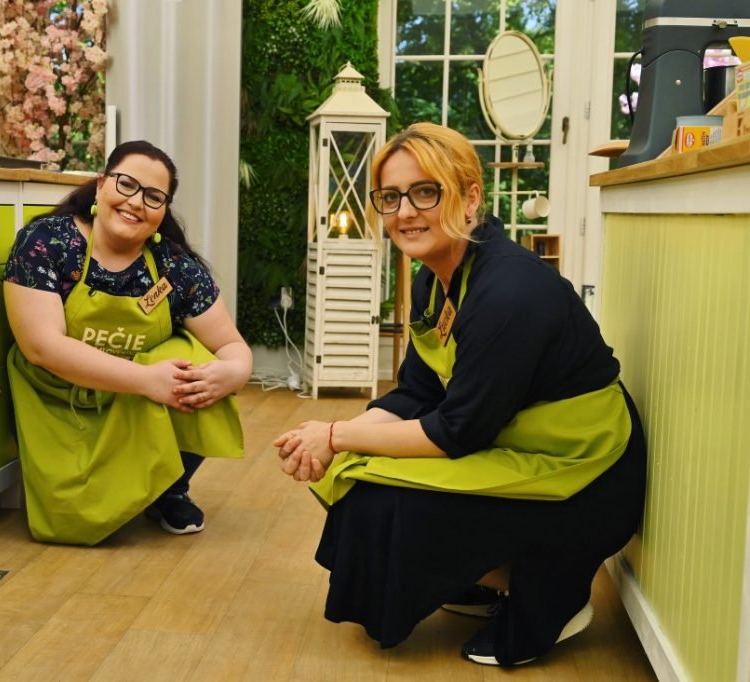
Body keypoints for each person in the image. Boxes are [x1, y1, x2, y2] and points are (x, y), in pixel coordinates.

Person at [273, 122, 646, 666]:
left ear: (471, 198)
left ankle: (550, 590)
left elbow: (456, 431)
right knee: (354, 473)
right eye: (390, 197)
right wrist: (328, 441)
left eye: (425, 192)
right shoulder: (434, 280)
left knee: (380, 499)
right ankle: (481, 577)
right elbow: (417, 392)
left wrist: (334, 434)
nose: (405, 212)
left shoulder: (510, 290)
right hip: (514, 446)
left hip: (586, 476)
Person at [3, 140, 252, 546]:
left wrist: (232, 373)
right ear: (101, 184)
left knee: (197, 366)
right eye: (127, 185)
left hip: (132, 405)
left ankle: (170, 489)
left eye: (153, 196)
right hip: (59, 403)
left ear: (163, 210)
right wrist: (146, 380)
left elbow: (231, 345)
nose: (136, 202)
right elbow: (41, 346)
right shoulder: (48, 241)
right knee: (73, 524)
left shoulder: (174, 266)